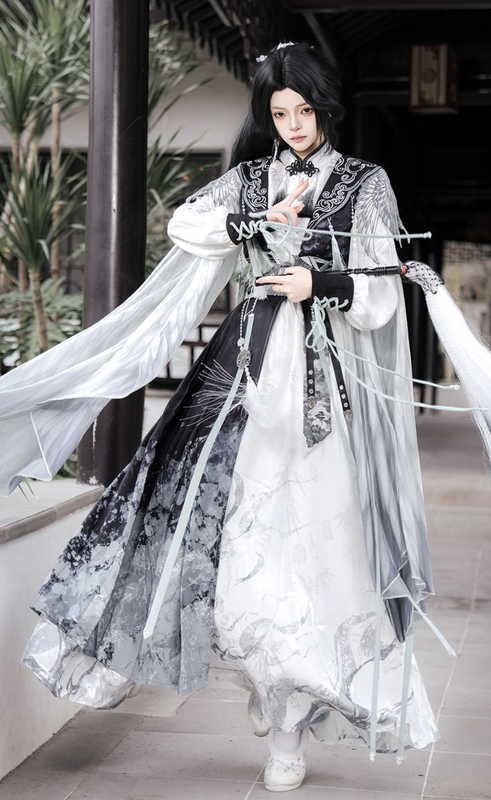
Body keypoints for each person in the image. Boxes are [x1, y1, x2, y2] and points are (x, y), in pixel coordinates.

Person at [12, 41, 441, 793]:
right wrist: (251, 221)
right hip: (238, 377)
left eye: (304, 111)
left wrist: (320, 283)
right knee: (216, 531)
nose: (294, 125)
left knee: (309, 553)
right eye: (280, 113)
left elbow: (378, 296)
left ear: (325, 109)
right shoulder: (247, 179)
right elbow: (185, 225)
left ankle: (287, 727)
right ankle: (257, 678)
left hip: (318, 395)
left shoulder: (364, 183)